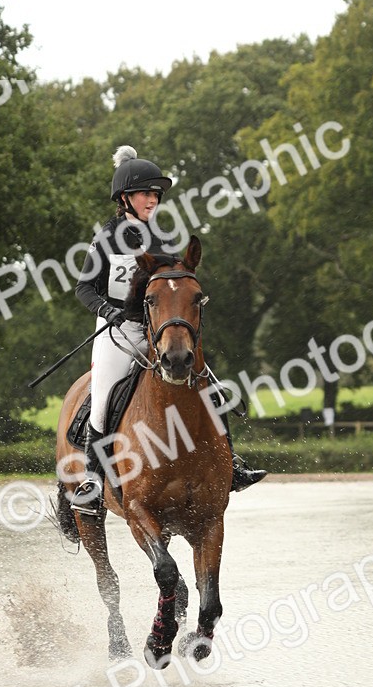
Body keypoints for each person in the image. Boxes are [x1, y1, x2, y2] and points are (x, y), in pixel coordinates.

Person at [72, 145, 266, 513]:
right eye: (146, 193)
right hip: (115, 333)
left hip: (154, 332)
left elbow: (171, 282)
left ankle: (232, 464)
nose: (153, 199)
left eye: (156, 194)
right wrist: (108, 311)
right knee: (102, 396)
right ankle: (93, 479)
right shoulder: (105, 239)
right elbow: (84, 288)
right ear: (125, 198)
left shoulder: (160, 239)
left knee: (208, 386)